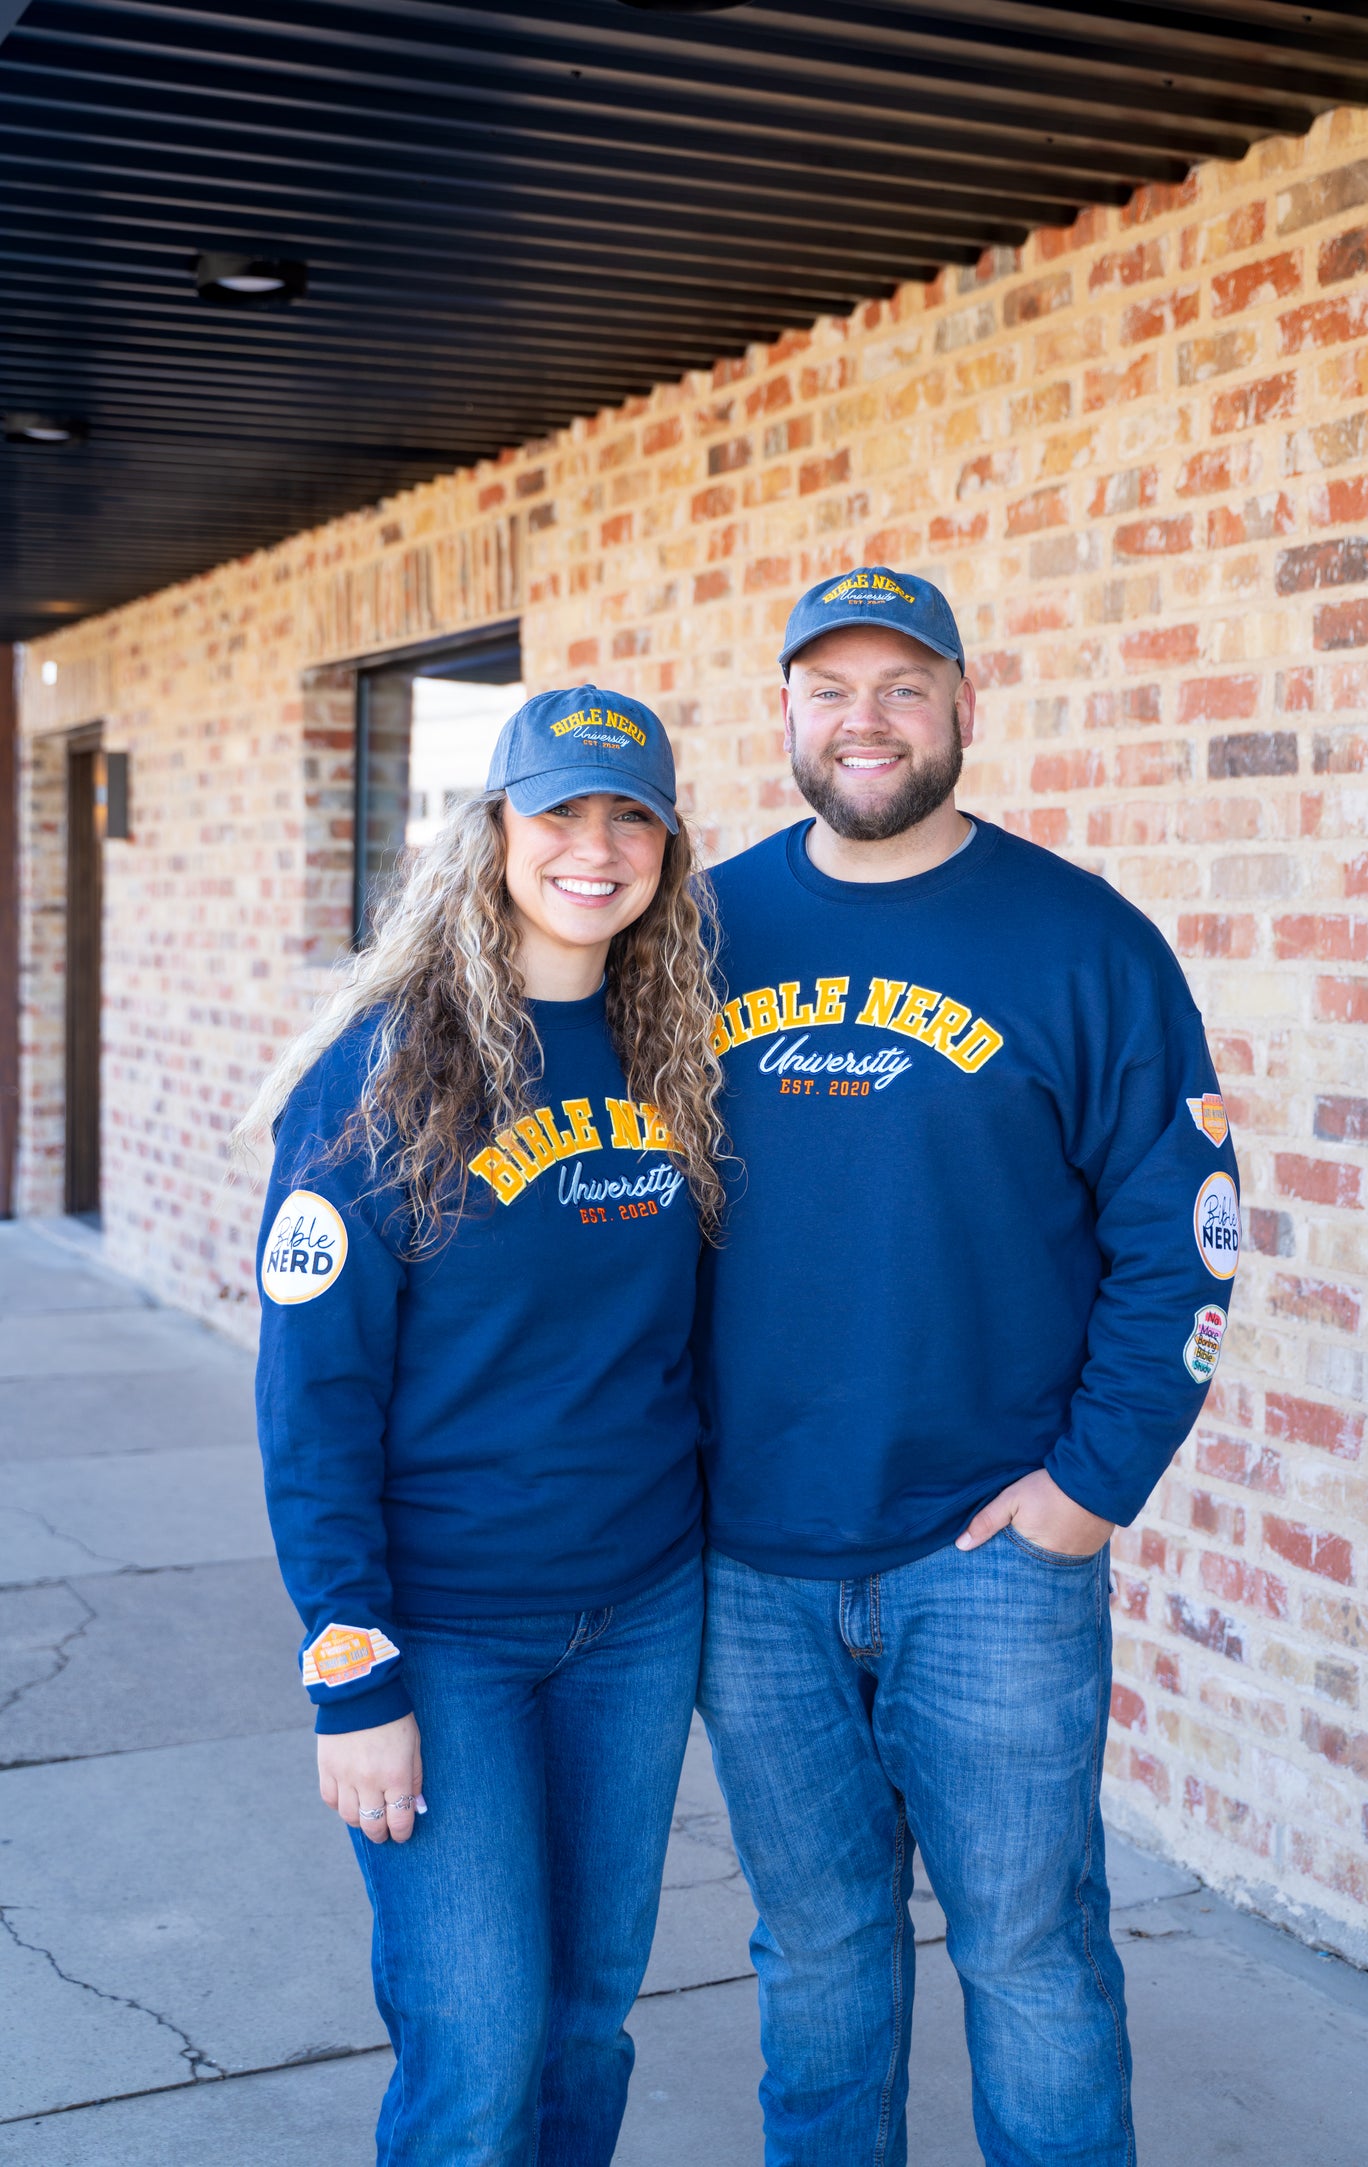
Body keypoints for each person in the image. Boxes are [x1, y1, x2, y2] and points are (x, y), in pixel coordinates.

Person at [695, 567, 1240, 2167]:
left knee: (1032, 1954)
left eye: (900, 686)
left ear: (962, 706)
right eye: (829, 689)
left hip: (993, 1555)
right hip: (750, 1559)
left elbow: (1185, 1235)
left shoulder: (1082, 941)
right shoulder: (699, 932)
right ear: (784, 713)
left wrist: (1090, 1488)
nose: (864, 721)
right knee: (812, 1961)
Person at [241, 686, 724, 2166]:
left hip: (637, 1616)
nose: (595, 846)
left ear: (664, 845)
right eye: (558, 813)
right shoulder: (384, 1074)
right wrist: (351, 1679)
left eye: (627, 815)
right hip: (444, 1636)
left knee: (587, 2016)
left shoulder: (679, 1049)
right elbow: (312, 1408)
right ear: (492, 835)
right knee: (479, 2039)